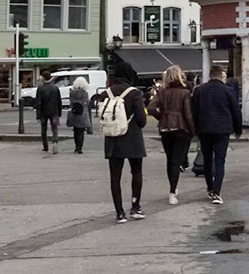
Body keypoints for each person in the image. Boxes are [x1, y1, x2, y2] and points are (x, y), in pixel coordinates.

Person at [101, 67, 149, 222]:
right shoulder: (134, 93)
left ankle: (119, 212)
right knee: (136, 172)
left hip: (113, 138)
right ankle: (135, 207)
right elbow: (142, 120)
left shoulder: (106, 93)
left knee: (115, 176)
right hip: (133, 137)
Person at [191, 65, 242, 203]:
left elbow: (194, 111)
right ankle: (217, 192)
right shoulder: (228, 91)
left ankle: (210, 187)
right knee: (220, 161)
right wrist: (238, 129)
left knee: (207, 160)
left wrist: (194, 130)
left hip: (204, 129)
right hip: (222, 129)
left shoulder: (199, 91)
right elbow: (235, 111)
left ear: (210, 75)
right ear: (221, 76)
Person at [151, 66, 194, 204]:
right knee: (176, 160)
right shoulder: (185, 92)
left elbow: (150, 108)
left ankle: (172, 189)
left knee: (170, 160)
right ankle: (172, 191)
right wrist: (193, 131)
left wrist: (162, 117)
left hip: (165, 128)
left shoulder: (161, 92)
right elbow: (188, 114)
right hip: (181, 128)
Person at [35, 73, 63, 153]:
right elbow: (59, 101)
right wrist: (59, 113)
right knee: (54, 128)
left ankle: (45, 146)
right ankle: (55, 142)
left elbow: (38, 103)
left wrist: (38, 115)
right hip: (54, 111)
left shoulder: (40, 89)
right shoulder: (55, 88)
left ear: (43, 78)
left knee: (44, 129)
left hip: (44, 112)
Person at [66, 76, 92, 154]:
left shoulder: (72, 92)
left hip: (74, 112)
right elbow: (86, 103)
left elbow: (71, 102)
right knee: (81, 131)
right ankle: (80, 147)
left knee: (75, 130)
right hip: (82, 113)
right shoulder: (85, 93)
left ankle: (76, 147)